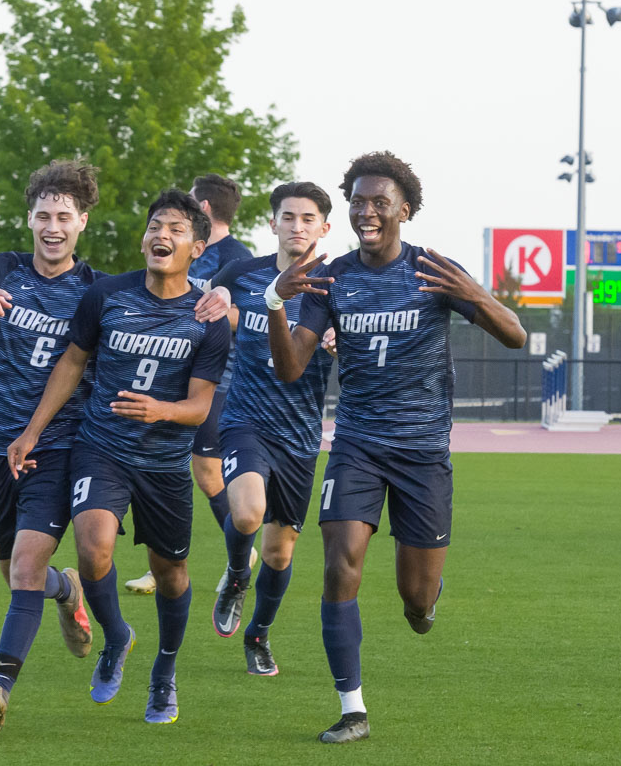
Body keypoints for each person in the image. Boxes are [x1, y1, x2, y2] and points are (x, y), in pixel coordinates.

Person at [266, 152, 526, 743]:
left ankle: (426, 602)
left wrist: (476, 294)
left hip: (422, 452)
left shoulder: (433, 270)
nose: (367, 211)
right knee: (340, 564)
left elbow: (515, 336)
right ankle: (352, 708)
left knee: (415, 600)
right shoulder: (330, 280)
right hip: (356, 444)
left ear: (404, 210)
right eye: (358, 201)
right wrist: (276, 302)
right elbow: (290, 368)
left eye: (379, 202)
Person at [8, 189, 230, 725]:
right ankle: (116, 638)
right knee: (93, 549)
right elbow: (71, 363)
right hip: (100, 448)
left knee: (171, 572)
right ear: (143, 236)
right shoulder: (106, 295)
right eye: (155, 226)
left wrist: (161, 410)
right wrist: (32, 432)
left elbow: (201, 408)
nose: (162, 236)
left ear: (197, 247)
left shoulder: (208, 317)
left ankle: (165, 673)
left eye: (176, 229)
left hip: (164, 463)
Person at [0, 160, 105, 735]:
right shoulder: (1, 269)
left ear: (82, 221)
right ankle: (66, 587)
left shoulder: (93, 292)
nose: (52, 226)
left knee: (26, 567)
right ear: (29, 218)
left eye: (64, 216)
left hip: (55, 448)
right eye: (43, 215)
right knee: (16, 574)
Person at [208, 182, 335, 677]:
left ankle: (258, 636)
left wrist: (336, 336)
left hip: (301, 435)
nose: (297, 226)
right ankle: (238, 572)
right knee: (246, 514)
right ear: (273, 224)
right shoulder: (242, 273)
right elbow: (209, 302)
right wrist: (215, 297)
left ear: (324, 228)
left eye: (308, 219)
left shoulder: (335, 285)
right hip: (245, 420)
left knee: (281, 551)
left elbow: (354, 333)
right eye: (288, 217)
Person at [125, 173, 254, 595]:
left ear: (205, 210)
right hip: (168, 379)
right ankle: (163, 556)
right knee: (166, 465)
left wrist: (218, 308)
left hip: (217, 381)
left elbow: (248, 319)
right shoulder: (184, 253)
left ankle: (240, 544)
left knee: (203, 470)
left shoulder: (235, 258)